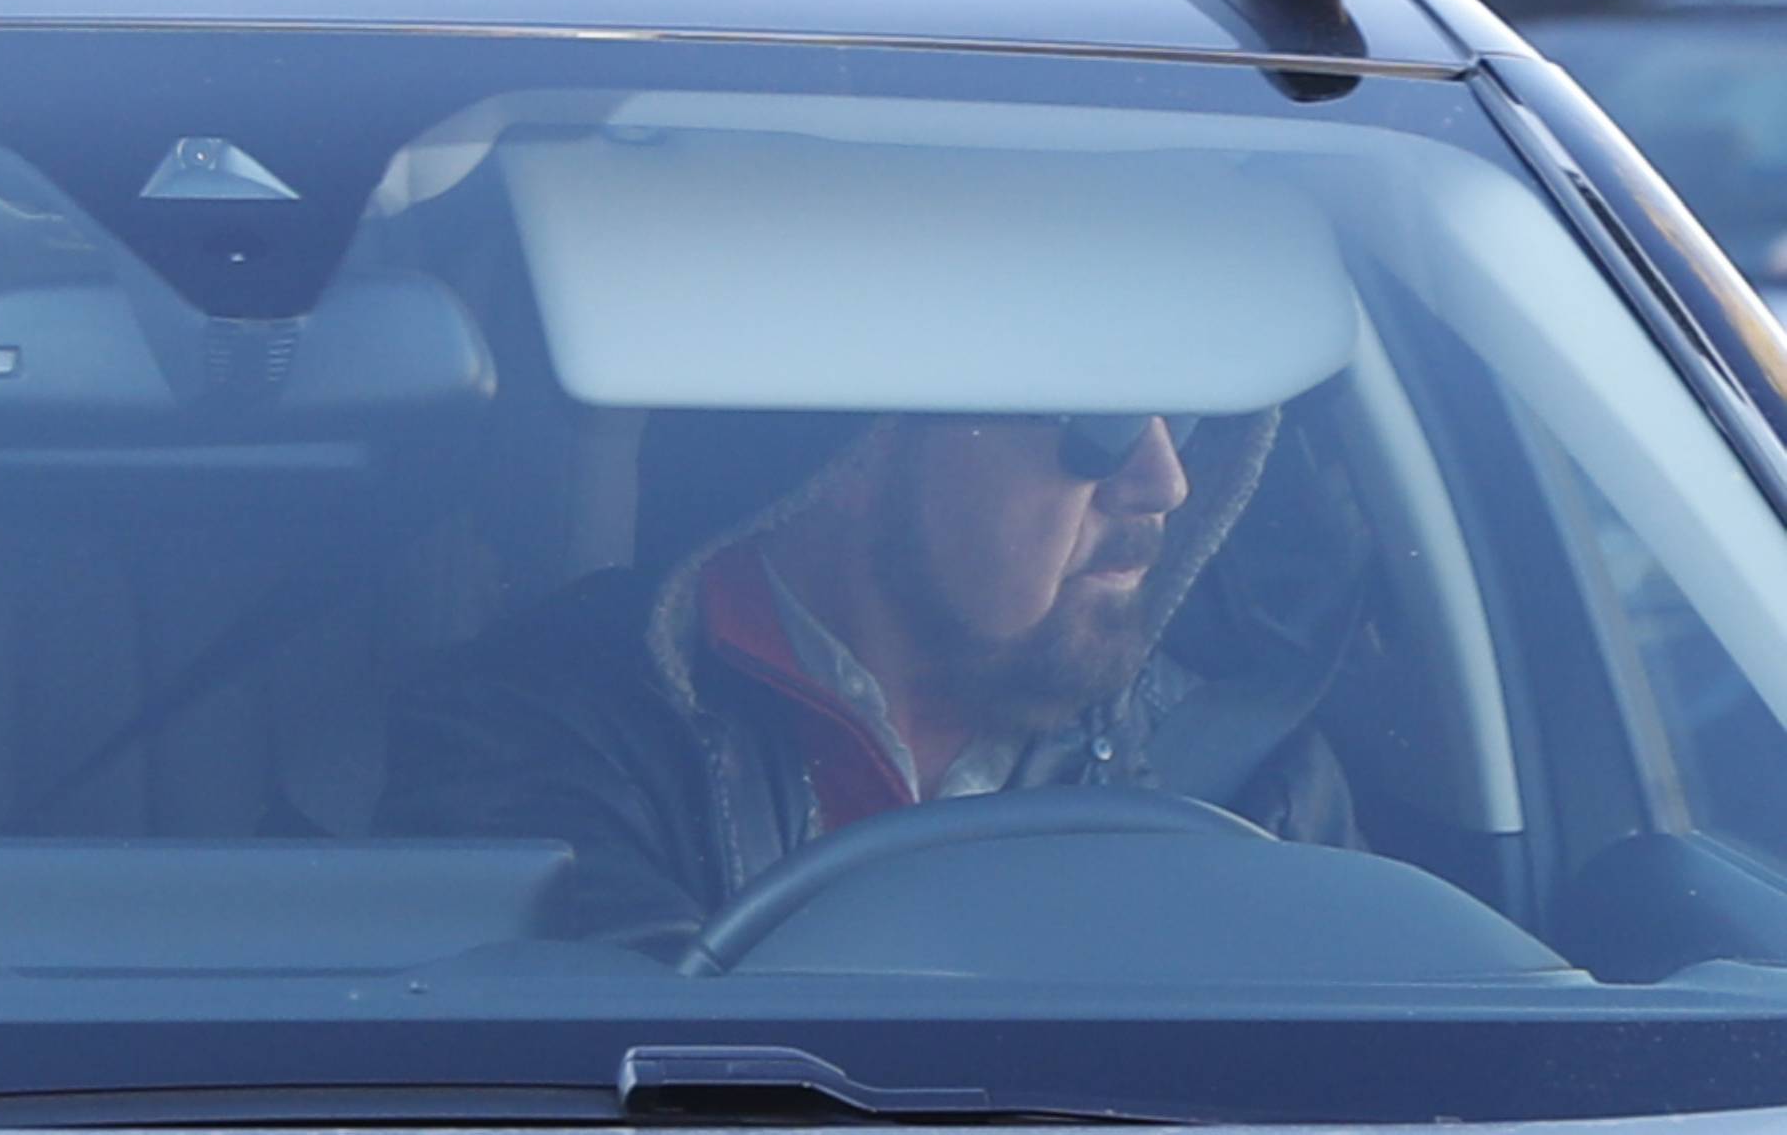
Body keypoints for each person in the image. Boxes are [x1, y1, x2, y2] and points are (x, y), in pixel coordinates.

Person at [374, 407, 1363, 959]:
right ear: (857, 457)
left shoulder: (1249, 776)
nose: (1163, 478)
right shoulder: (536, 731)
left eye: (1182, 408)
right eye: (1097, 419)